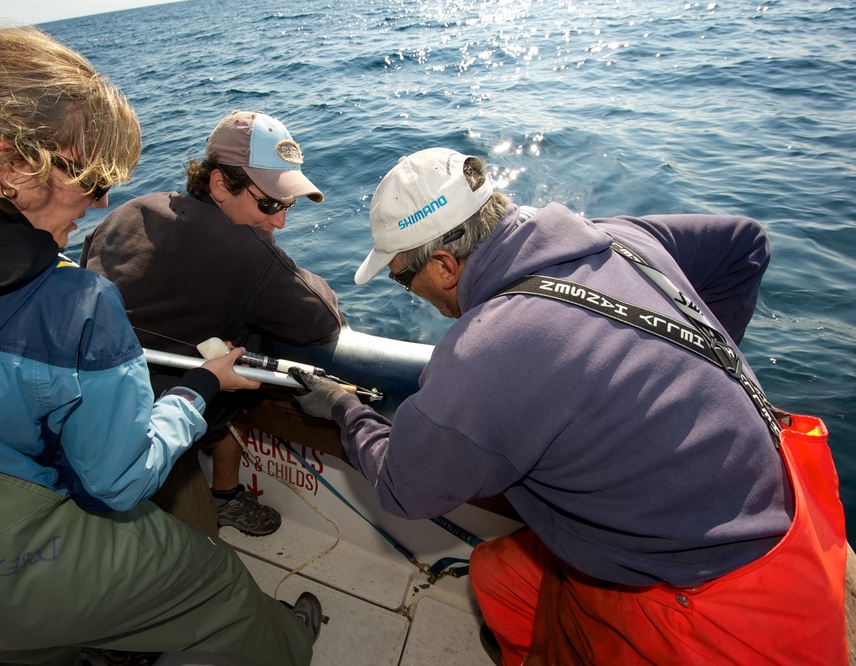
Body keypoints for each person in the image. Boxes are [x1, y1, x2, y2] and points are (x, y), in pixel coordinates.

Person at [0, 25, 322, 666]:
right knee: (218, 583)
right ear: (10, 167)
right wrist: (202, 386)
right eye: (94, 179)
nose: (106, 200)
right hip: (12, 566)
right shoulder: (70, 308)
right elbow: (116, 484)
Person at [289, 147, 847, 664]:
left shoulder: (484, 354)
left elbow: (402, 489)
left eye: (404, 280)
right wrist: (684, 376)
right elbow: (745, 244)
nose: (414, 294)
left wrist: (342, 406)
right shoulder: (616, 238)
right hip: (798, 515)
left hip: (712, 606)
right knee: (498, 577)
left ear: (442, 266)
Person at [81, 109, 341, 537]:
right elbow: (323, 318)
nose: (280, 220)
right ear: (220, 185)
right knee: (196, 550)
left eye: (288, 204)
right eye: (270, 204)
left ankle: (224, 493)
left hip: (94, 407)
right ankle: (210, 514)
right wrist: (267, 253)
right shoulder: (244, 253)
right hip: (141, 443)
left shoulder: (127, 212)